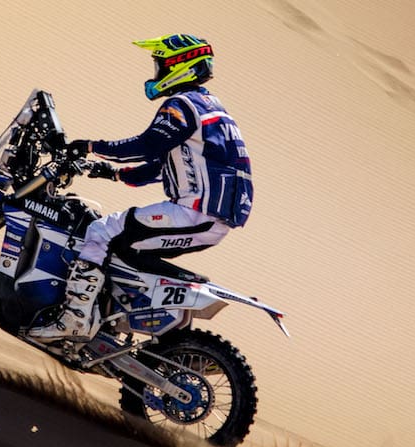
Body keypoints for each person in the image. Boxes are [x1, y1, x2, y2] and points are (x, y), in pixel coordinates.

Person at [29, 33, 253, 342]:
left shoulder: (182, 105)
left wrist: (90, 146)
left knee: (100, 232)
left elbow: (146, 146)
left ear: (181, 67)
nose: (157, 72)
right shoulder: (211, 108)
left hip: (193, 214)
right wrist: (113, 174)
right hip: (207, 218)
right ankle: (107, 320)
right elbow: (164, 166)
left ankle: (73, 320)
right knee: (120, 245)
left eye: (161, 65)